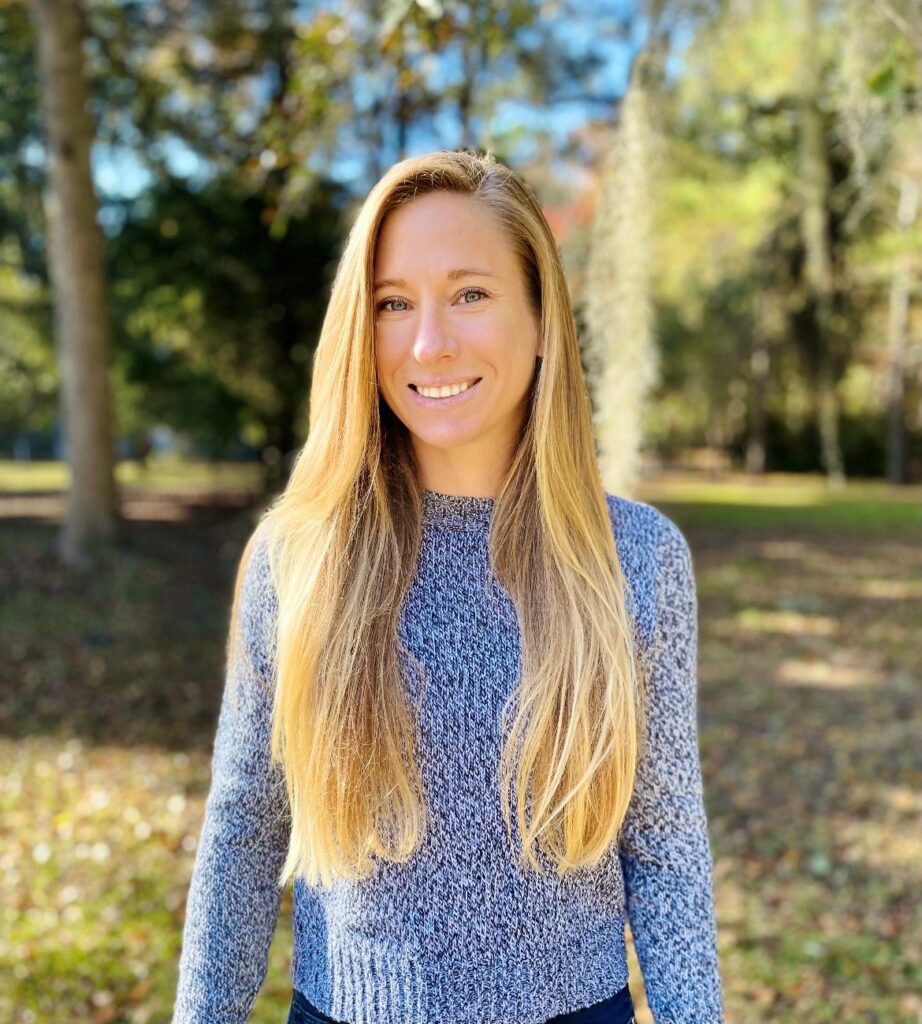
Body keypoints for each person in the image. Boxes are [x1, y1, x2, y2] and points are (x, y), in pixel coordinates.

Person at [171, 149, 724, 1024]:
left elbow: (662, 843)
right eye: (394, 304)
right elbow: (243, 832)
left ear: (543, 322)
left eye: (470, 293)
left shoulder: (637, 557)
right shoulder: (299, 556)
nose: (429, 342)